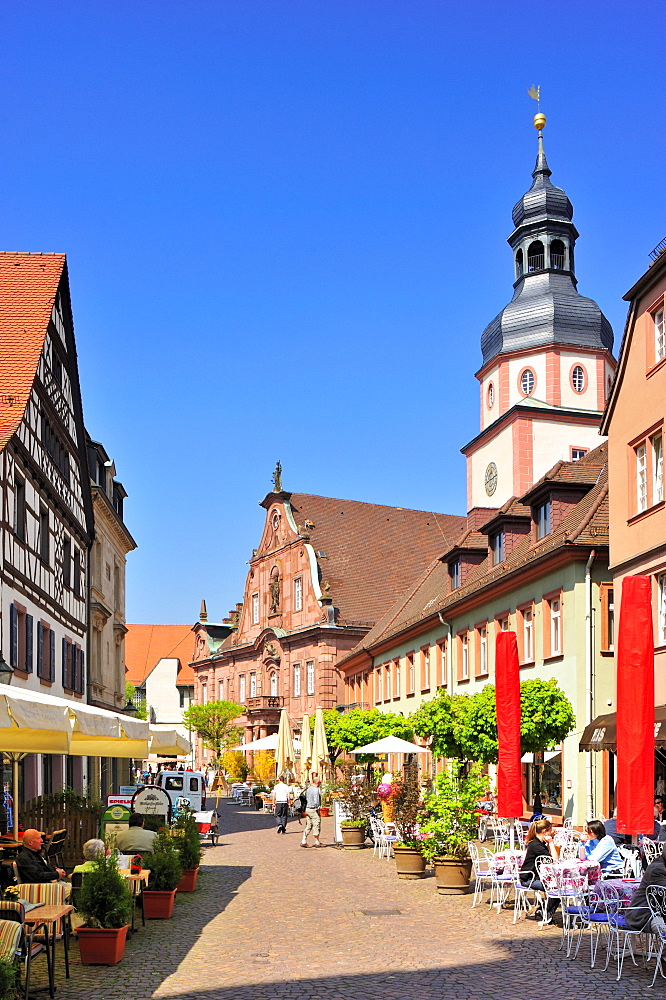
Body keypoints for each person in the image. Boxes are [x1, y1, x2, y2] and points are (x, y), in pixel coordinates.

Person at [519, 818, 559, 927]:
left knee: (558, 887)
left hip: (537, 877)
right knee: (556, 888)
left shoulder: (539, 843)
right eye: (551, 830)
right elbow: (554, 860)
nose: (552, 832)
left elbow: (548, 859)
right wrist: (551, 842)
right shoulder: (536, 846)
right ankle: (545, 913)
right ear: (545, 831)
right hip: (529, 879)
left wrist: (549, 842)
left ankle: (543, 910)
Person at [625, 842, 666, 931]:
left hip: (660, 911)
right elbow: (663, 895)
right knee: (662, 929)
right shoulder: (658, 869)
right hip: (644, 913)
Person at [301, 775, 322, 848]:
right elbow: (316, 800)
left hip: (308, 808)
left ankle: (304, 840)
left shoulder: (308, 789)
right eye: (320, 782)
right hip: (313, 809)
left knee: (309, 825)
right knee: (317, 823)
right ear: (317, 782)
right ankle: (317, 841)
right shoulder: (316, 789)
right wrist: (318, 808)